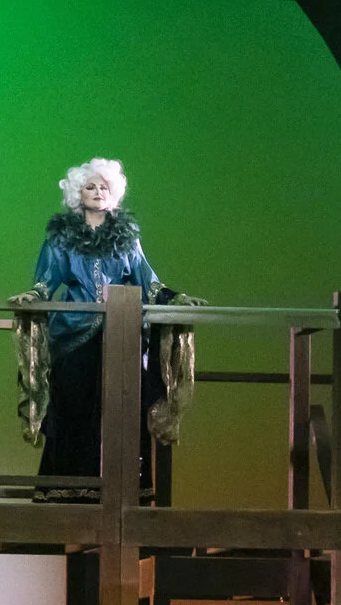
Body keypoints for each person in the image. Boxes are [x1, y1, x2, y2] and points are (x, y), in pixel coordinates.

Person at [10, 158, 199, 502]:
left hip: (120, 335)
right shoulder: (61, 238)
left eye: (104, 187)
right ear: (77, 194)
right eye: (90, 186)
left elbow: (149, 281)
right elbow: (46, 280)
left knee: (121, 412)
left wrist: (176, 299)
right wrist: (32, 295)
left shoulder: (127, 239)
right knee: (72, 410)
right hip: (74, 337)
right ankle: (67, 491)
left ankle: (122, 492)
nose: (98, 192)